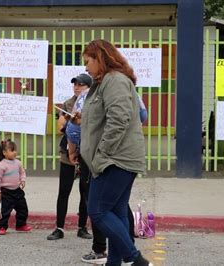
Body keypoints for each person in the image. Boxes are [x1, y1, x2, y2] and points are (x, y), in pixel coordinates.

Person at [80, 39, 151, 266]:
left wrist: (101, 154)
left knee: (98, 211)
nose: (85, 67)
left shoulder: (114, 81)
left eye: (88, 61)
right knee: (118, 212)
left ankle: (135, 259)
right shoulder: (103, 83)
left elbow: (119, 120)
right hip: (115, 158)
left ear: (100, 58)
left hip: (116, 159)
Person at [47, 73, 93, 241]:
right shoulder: (68, 104)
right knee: (64, 190)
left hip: (87, 153)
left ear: (89, 87)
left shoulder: (93, 103)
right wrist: (68, 120)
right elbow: (60, 126)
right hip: (68, 152)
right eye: (75, 84)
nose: (76, 87)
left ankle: (82, 227)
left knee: (85, 192)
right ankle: (59, 227)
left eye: (80, 84)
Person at [0, 139, 32, 235]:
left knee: (23, 209)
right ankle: (2, 227)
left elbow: (22, 172)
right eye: (12, 150)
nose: (14, 152)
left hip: (17, 190)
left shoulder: (18, 163)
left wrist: (22, 180)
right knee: (5, 211)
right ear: (4, 153)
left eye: (15, 150)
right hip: (6, 192)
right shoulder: (1, 166)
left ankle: (20, 225)